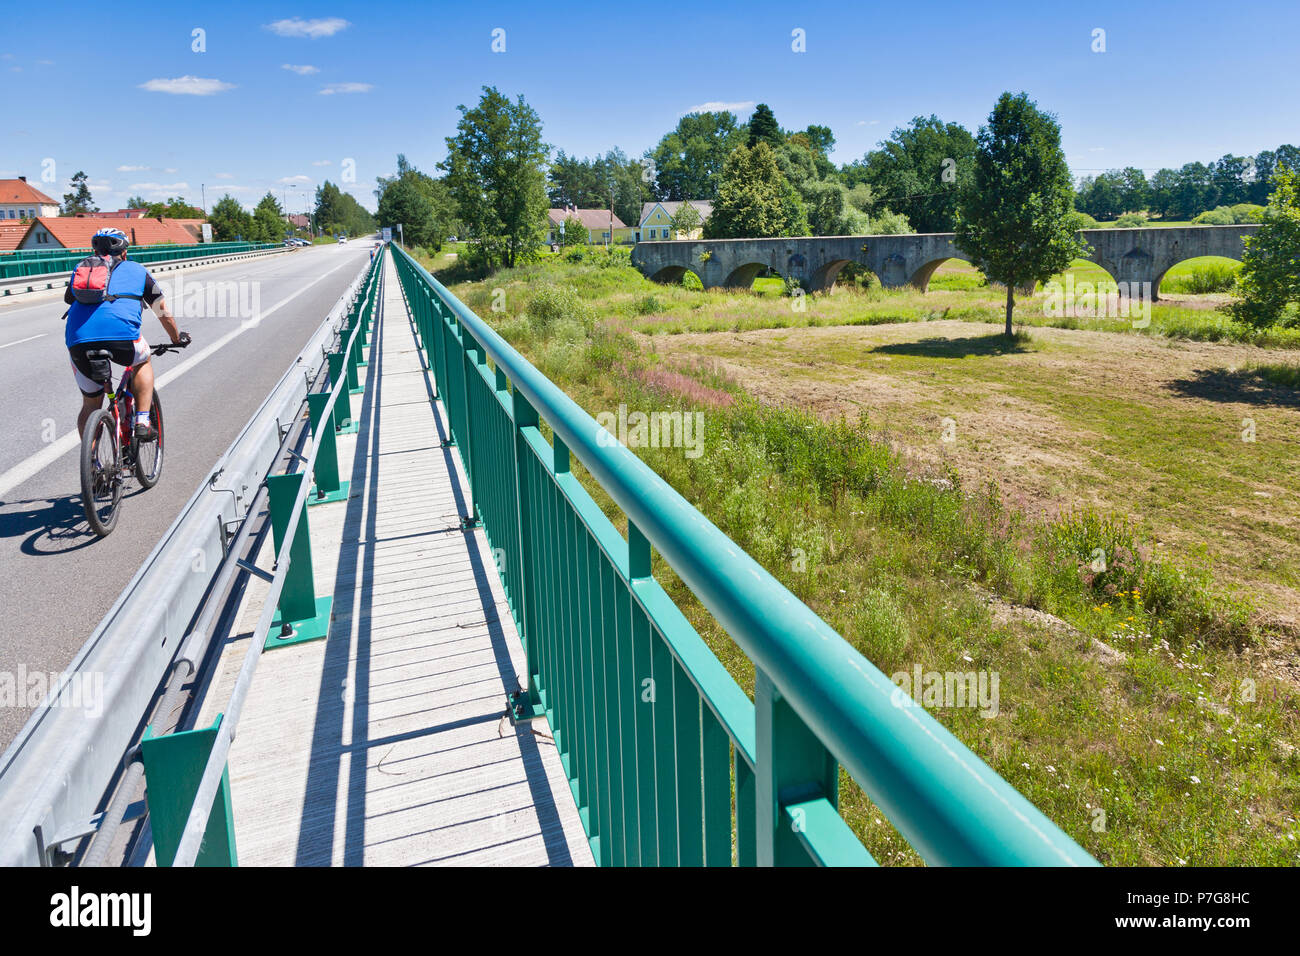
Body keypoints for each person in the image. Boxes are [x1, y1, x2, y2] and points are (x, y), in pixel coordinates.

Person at [64, 228, 188, 442]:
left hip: (78, 342)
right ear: (125, 252)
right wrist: (176, 339)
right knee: (143, 359)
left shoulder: (81, 269)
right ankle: (142, 421)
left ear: (94, 249)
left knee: (90, 404)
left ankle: (93, 463)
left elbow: (69, 299)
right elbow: (162, 311)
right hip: (122, 339)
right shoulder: (137, 270)